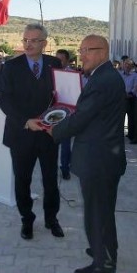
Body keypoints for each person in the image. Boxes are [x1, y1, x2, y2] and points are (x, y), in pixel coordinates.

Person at [47, 35, 126, 273]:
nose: (82, 55)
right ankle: (103, 248)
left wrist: (54, 130)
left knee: (98, 211)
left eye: (86, 51)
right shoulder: (103, 76)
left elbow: (82, 117)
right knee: (100, 209)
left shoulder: (103, 80)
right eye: (80, 50)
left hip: (98, 159)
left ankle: (104, 263)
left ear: (102, 52)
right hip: (102, 157)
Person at [0, 23, 63, 240]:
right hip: (21, 134)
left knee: (50, 181)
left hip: (48, 134)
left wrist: (58, 119)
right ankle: (27, 219)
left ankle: (52, 219)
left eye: (34, 40)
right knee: (22, 181)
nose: (28, 44)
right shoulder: (11, 67)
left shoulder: (55, 64)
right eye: (25, 39)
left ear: (44, 43)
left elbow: (62, 96)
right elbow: (4, 100)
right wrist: (26, 121)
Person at [56, 48, 73, 180]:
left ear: (67, 60)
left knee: (66, 144)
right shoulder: (50, 74)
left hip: (67, 115)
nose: (58, 62)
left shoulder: (73, 75)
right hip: (51, 115)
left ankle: (65, 168)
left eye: (61, 59)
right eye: (57, 59)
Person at [119, 59, 137, 141]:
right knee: (120, 118)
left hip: (131, 98)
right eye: (125, 64)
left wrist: (130, 94)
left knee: (131, 118)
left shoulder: (135, 75)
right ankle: (119, 135)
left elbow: (136, 86)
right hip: (121, 98)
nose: (127, 66)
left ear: (132, 66)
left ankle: (131, 135)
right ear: (123, 65)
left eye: (129, 64)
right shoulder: (119, 74)